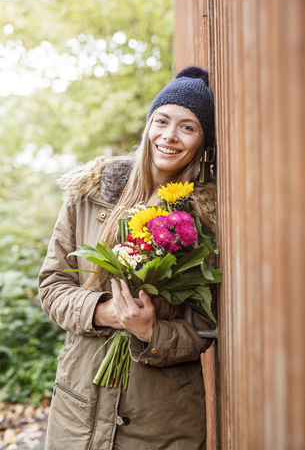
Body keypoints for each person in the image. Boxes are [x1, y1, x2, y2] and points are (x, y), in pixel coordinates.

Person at [39, 66, 217, 450]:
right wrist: (104, 311)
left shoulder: (204, 218)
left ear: (202, 142)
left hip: (160, 416)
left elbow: (205, 327)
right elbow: (52, 286)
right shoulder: (90, 193)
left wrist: (150, 333)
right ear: (148, 126)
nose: (170, 136)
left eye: (187, 127)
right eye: (162, 121)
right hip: (81, 401)